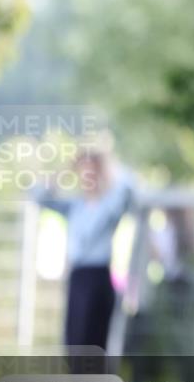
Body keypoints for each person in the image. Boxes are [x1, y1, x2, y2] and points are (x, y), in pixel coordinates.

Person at [33, 150, 135, 351]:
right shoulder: (75, 206)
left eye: (93, 171)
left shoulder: (110, 205)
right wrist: (66, 170)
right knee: (74, 341)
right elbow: (38, 196)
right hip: (77, 277)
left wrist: (108, 164)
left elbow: (128, 186)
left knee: (93, 343)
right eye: (83, 171)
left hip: (98, 277)